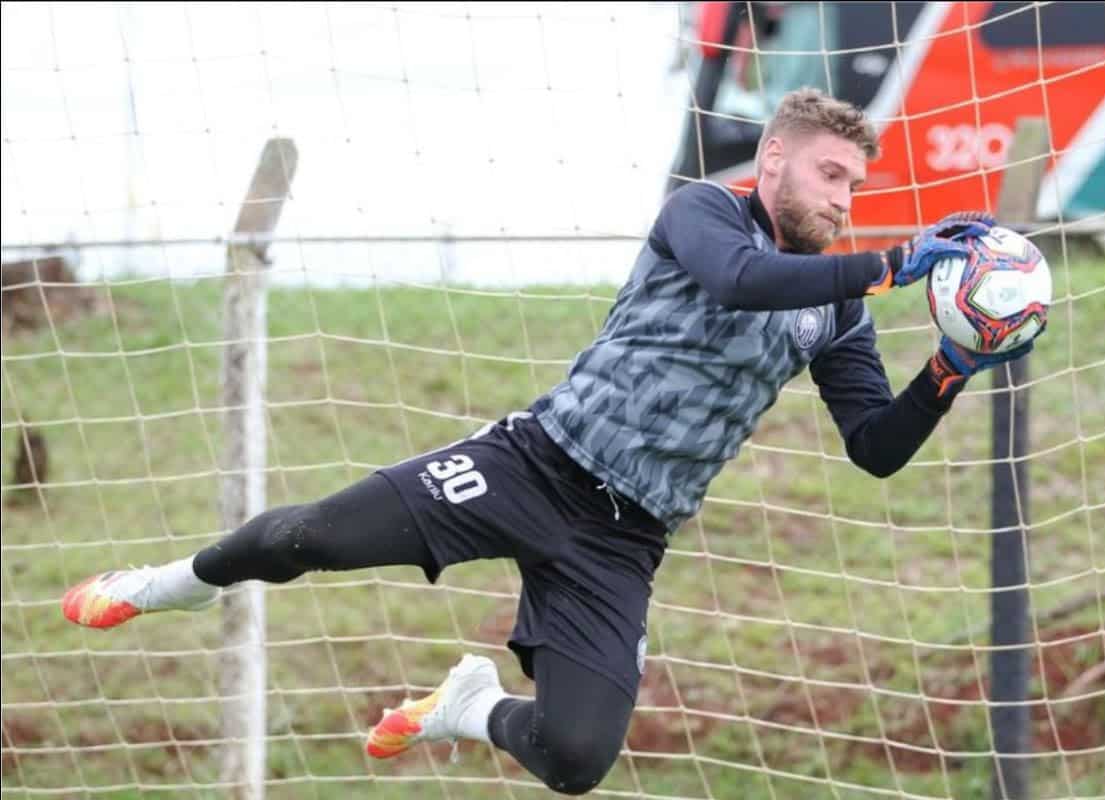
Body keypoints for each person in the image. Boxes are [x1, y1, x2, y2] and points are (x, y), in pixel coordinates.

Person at [61, 88, 1036, 796]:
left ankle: (469, 702)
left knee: (575, 758)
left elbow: (874, 446)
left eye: (857, 184)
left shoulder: (837, 312)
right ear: (772, 159)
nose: (843, 197)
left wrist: (950, 365)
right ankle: (168, 580)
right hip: (531, 463)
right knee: (305, 537)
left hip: (622, 543)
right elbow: (738, 279)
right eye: (831, 174)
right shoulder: (702, 212)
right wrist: (901, 260)